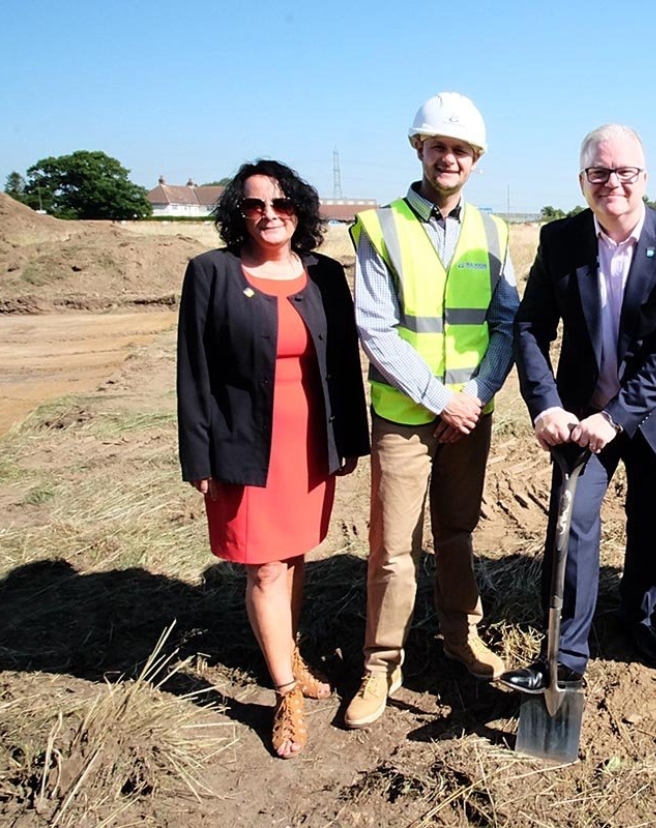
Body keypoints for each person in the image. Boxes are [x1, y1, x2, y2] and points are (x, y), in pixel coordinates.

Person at [499, 124, 656, 694]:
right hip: (579, 411)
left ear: (645, 178)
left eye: (625, 172)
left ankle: (638, 616)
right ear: (583, 180)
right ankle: (564, 656)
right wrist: (545, 404)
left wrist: (616, 417)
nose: (612, 182)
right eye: (599, 173)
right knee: (572, 520)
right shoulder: (560, 240)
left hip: (655, 410)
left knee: (650, 521)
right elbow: (530, 326)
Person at [177, 159, 370, 759]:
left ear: (301, 212)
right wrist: (198, 454)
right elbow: (193, 371)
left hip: (309, 444)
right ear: (237, 213)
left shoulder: (323, 275)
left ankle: (285, 651)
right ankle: (284, 693)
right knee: (263, 567)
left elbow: (342, 364)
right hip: (244, 444)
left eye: (282, 204)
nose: (269, 215)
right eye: (255, 205)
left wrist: (350, 441)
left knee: (294, 553)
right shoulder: (211, 273)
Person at [346, 92, 517, 729]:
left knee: (457, 533)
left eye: (462, 150)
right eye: (439, 146)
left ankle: (460, 637)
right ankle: (380, 663)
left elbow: (505, 324)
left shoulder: (495, 231)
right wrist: (438, 398)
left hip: (469, 414)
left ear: (476, 160)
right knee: (394, 547)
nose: (450, 158)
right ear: (419, 149)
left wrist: (472, 397)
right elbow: (377, 328)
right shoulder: (380, 226)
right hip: (404, 415)